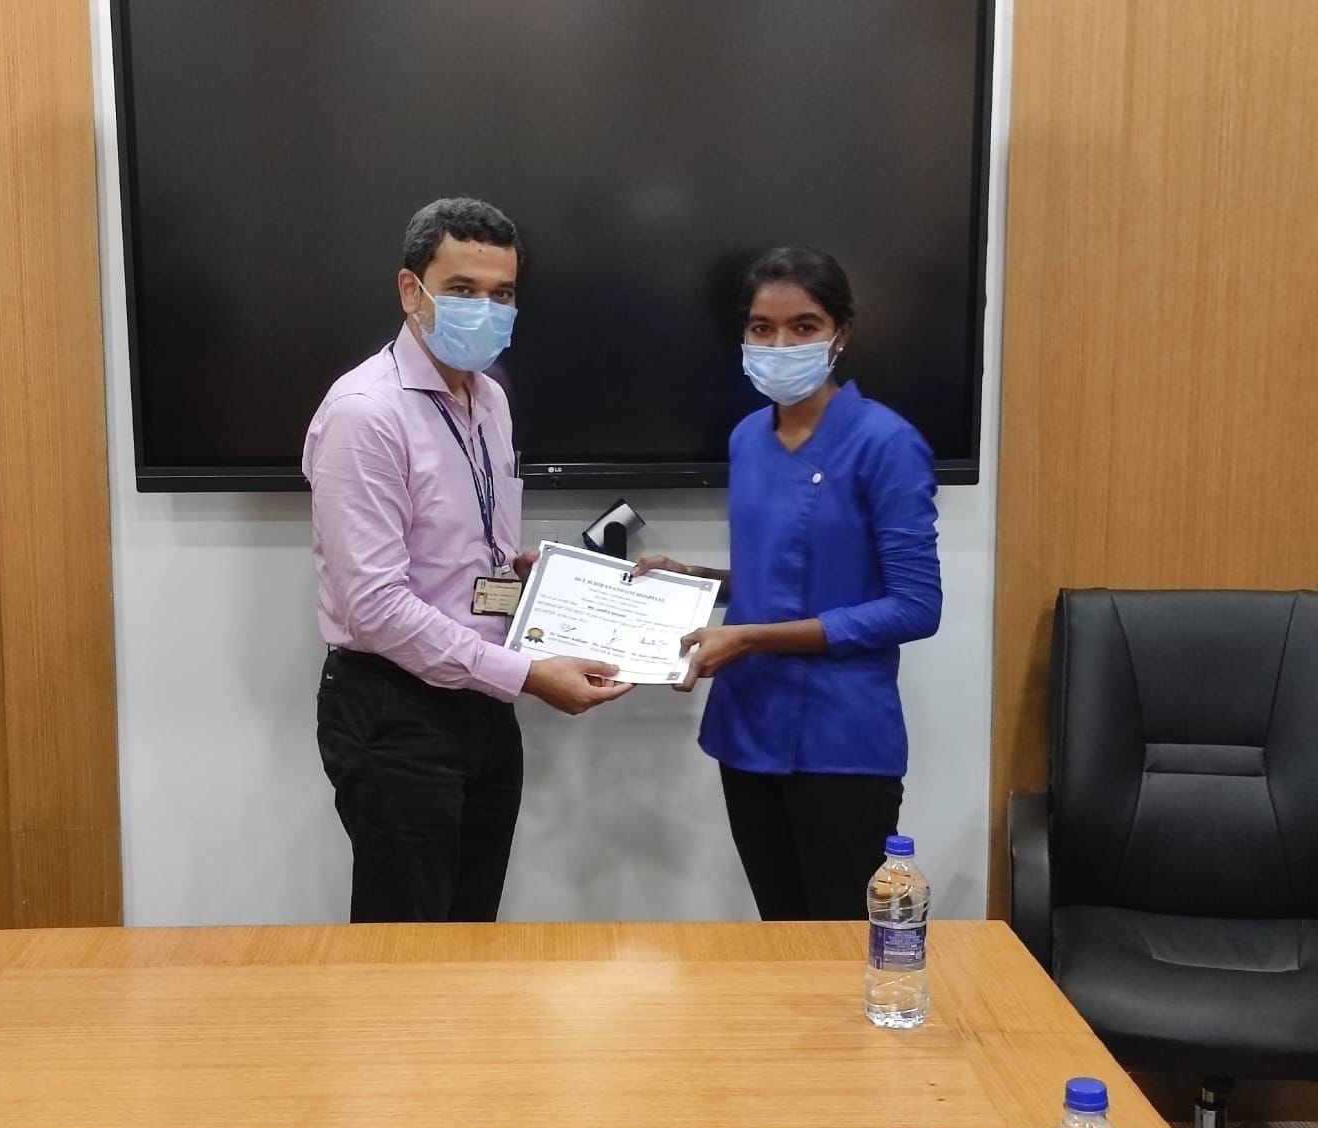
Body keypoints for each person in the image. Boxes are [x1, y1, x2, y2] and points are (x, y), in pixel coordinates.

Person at [303, 197, 631, 924]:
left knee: (472, 935)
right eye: (462, 289)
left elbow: (470, 552)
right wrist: (527, 675)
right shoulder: (366, 413)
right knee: (407, 943)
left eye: (502, 294)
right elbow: (376, 608)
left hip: (483, 705)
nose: (485, 310)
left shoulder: (491, 398)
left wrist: (531, 580)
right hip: (396, 708)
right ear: (410, 290)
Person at [636, 247, 941, 921]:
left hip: (842, 740)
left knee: (839, 944)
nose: (780, 345)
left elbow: (916, 607)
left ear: (841, 333)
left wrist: (750, 638)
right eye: (762, 328)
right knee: (778, 935)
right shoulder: (747, 438)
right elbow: (782, 575)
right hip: (748, 727)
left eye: (803, 326)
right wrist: (696, 578)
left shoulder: (887, 443)